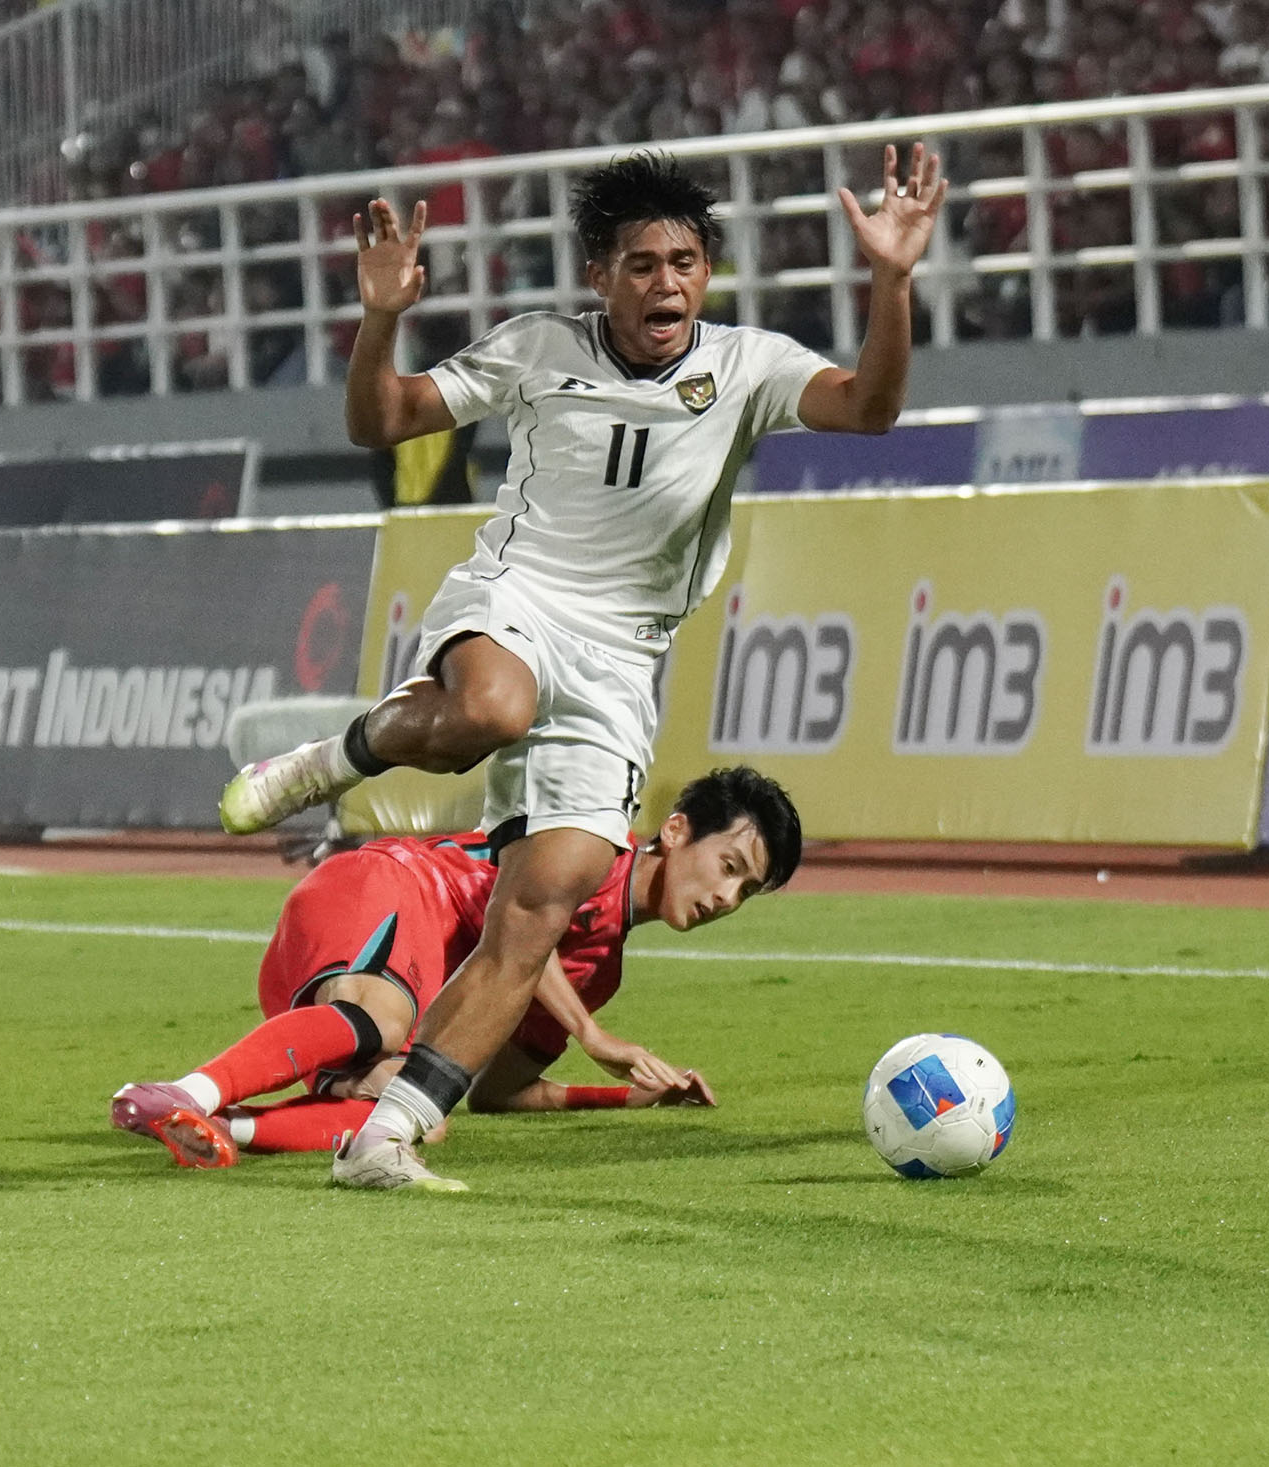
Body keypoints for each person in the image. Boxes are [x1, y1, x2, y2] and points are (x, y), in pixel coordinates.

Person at [217, 146, 944, 1191]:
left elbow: (869, 408)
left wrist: (894, 277)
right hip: (518, 599)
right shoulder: (536, 349)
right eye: (641, 264)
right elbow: (379, 421)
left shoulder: (744, 368)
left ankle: (384, 1139)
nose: (667, 284)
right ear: (599, 274)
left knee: (546, 898)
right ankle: (341, 757)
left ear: (708, 271)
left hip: (621, 658)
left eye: (685, 262)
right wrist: (380, 317)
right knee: (493, 708)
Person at [113, 768, 802, 1170]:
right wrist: (593, 1036)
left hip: (345, 1002)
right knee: (385, 1020)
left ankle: (220, 1125)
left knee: (415, 1115)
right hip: (384, 889)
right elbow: (524, 922)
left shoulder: (602, 965)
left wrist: (633, 1097)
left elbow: (498, 1091)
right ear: (677, 830)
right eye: (730, 867)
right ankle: (181, 1090)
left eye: (744, 891)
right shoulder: (592, 849)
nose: (725, 897)